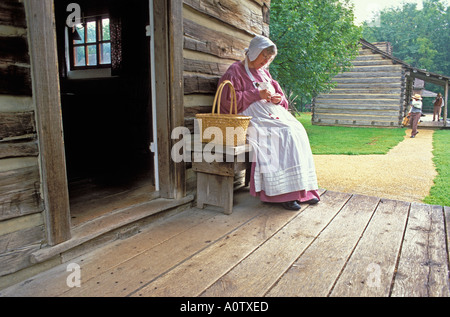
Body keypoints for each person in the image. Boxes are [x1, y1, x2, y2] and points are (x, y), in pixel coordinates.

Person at [216, 35, 320, 211]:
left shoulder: (265, 73)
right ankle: (282, 194)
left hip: (271, 114)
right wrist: (256, 95)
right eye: (264, 56)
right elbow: (226, 102)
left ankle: (302, 189)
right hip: (250, 119)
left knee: (297, 129)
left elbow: (282, 100)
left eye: (269, 58)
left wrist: (278, 99)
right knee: (282, 134)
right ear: (254, 52)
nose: (266, 61)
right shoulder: (235, 71)